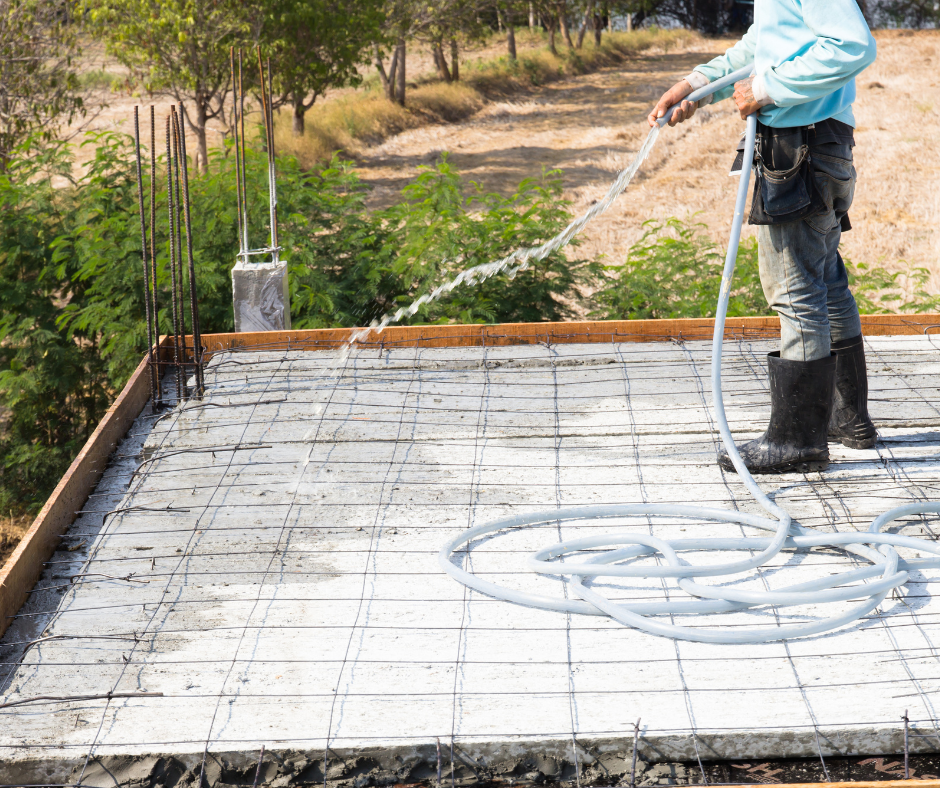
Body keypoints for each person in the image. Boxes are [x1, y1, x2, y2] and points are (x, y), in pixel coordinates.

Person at [647, 0, 879, 474]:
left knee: (796, 290)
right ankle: (846, 418)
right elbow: (766, 45)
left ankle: (798, 441)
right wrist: (696, 86)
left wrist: (769, 88)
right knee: (826, 283)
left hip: (801, 148)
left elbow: (852, 45)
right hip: (820, 144)